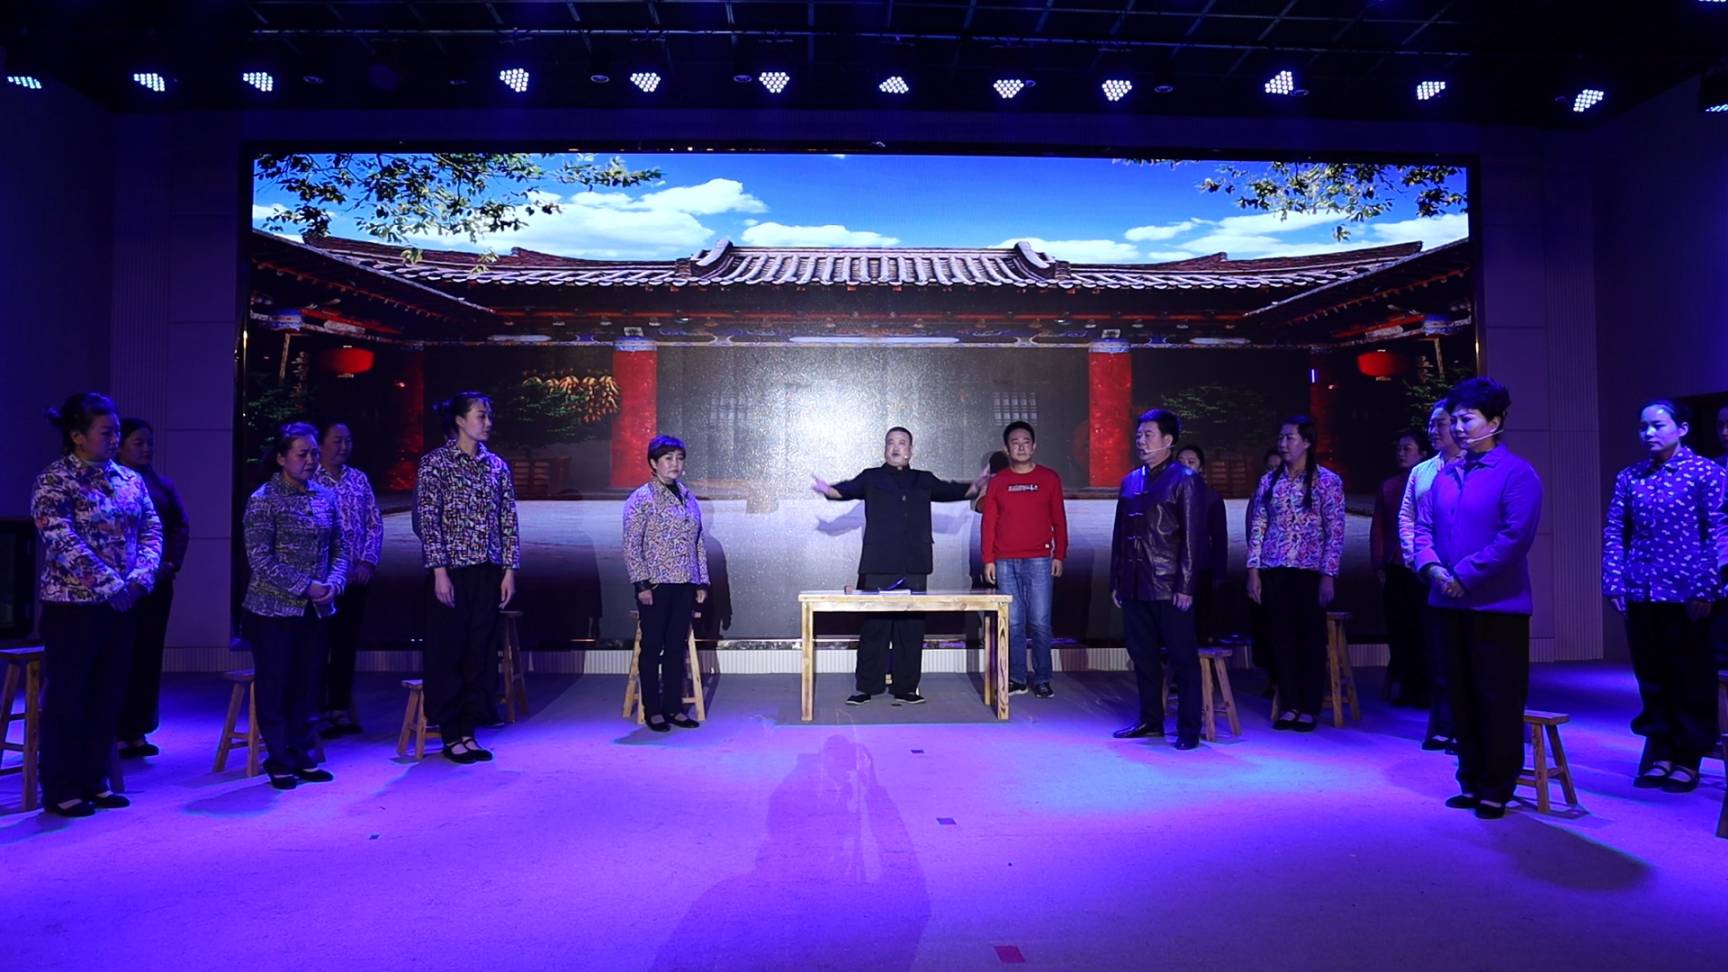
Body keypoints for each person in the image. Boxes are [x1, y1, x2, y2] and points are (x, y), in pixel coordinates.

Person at [1413, 378, 1543, 820]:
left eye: (1467, 419)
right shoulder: (1445, 474)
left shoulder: (1517, 474)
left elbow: (1514, 538)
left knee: (1497, 696)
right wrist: (1432, 569)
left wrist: (1464, 576)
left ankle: (1496, 785)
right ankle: (1470, 778)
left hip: (1497, 607)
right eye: (1455, 420)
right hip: (1447, 603)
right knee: (1461, 695)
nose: (1458, 428)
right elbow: (1423, 529)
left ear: (1495, 421)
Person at [31, 393, 163, 817]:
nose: (115, 438)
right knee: (68, 697)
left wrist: (140, 579)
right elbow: (61, 539)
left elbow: (151, 529)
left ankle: (94, 779)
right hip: (72, 606)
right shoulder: (55, 480)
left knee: (107, 695)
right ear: (77, 436)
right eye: (106, 432)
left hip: (123, 606)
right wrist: (109, 585)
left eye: (117, 431)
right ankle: (62, 786)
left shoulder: (129, 479)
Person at [1601, 399, 1728, 793]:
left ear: (1682, 429)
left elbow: (1719, 532)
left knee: (1691, 676)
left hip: (1690, 594)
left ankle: (1688, 757)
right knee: (1652, 675)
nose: (1649, 433)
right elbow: (1615, 530)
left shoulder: (1706, 473)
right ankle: (1659, 752)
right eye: (1643, 427)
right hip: (1642, 590)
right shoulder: (1631, 476)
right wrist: (1615, 581)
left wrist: (1707, 587)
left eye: (1658, 425)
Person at [812, 427, 986, 705]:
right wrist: (828, 490)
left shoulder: (922, 479)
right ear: (885, 448)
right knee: (875, 628)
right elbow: (844, 490)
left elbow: (951, 489)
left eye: (902, 443)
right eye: (890, 442)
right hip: (878, 563)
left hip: (914, 564)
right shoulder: (872, 477)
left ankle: (906, 687)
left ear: (910, 450)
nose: (895, 447)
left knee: (910, 629)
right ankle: (867, 687)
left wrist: (977, 485)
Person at [414, 392, 521, 763]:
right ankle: (450, 732)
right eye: (480, 415)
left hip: (488, 571)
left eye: (489, 416)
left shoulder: (496, 467)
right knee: (450, 651)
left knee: (479, 651)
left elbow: (508, 521)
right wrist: (439, 571)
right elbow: (428, 521)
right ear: (460, 420)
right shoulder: (436, 464)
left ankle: (469, 731)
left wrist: (509, 570)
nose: (487, 422)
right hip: (452, 572)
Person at [243, 422, 348, 790]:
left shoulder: (325, 497)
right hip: (273, 611)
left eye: (314, 453)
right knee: (277, 685)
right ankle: (279, 758)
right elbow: (260, 559)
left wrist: (334, 582)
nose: (310, 460)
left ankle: (304, 753)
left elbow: (340, 547)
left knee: (308, 684)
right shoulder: (264, 499)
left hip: (316, 611)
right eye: (302, 454)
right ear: (281, 458)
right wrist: (306, 586)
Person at [1110, 410, 1207, 749]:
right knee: (1143, 657)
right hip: (1135, 583)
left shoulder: (1185, 479)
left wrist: (1186, 585)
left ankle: (1189, 729)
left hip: (1169, 585)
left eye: (1148, 434)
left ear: (1168, 440)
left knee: (1182, 659)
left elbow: (1194, 537)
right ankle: (1151, 721)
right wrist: (1117, 579)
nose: (1141, 440)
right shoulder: (1130, 480)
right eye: (1139, 434)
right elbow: (1120, 534)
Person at [1246, 416, 1346, 732]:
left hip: (1310, 571)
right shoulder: (1269, 481)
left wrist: (1328, 574)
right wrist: (1253, 570)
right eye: (1281, 438)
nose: (1283, 443)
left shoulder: (1327, 481)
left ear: (1307, 442)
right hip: (1275, 568)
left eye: (1290, 438)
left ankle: (1309, 706)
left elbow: (1335, 531)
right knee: (1281, 639)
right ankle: (1289, 704)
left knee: (1310, 640)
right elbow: (1258, 526)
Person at [623, 435, 710, 732]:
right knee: (652, 647)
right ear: (653, 463)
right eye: (668, 458)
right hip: (656, 585)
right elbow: (632, 545)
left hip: (685, 582)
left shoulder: (688, 496)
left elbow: (698, 542)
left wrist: (701, 581)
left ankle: (674, 707)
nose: (675, 464)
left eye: (679, 458)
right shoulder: (641, 498)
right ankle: (653, 710)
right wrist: (641, 584)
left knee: (675, 647)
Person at [114, 417, 189, 759]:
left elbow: (180, 526)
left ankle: (139, 728)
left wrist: (169, 564)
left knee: (148, 654)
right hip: (121, 585)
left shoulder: (162, 485)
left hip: (157, 583)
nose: (146, 449)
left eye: (149, 443)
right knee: (121, 654)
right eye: (138, 442)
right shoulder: (112, 482)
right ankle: (116, 729)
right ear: (120, 446)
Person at [981, 422, 1068, 699]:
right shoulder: (998, 481)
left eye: (1026, 441)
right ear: (1007, 449)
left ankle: (1042, 678)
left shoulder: (1049, 478)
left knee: (1040, 622)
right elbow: (989, 523)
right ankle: (1017, 678)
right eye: (1015, 442)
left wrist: (1060, 554)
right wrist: (988, 559)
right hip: (1005, 561)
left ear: (1034, 446)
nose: (1021, 446)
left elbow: (1059, 519)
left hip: (1040, 559)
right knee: (1013, 623)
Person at [1399, 401, 1464, 752]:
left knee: (1465, 651)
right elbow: (1407, 517)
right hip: (1429, 572)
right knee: (1437, 652)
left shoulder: (1472, 466)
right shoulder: (1422, 472)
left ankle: (1465, 726)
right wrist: (1418, 561)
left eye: (1440, 424)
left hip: (1466, 575)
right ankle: (1441, 723)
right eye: (1431, 425)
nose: (1433, 431)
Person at [313, 420, 384, 738]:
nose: (343, 447)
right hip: (322, 582)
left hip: (355, 580)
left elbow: (374, 524)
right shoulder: (310, 478)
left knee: (345, 646)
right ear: (321, 444)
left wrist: (367, 563)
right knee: (318, 646)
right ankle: (316, 711)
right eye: (337, 440)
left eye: (348, 441)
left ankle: (340, 709)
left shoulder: (358, 479)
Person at [1371, 428, 1431, 707]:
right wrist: (1379, 563)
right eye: (1399, 449)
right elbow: (1379, 528)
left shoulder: (1432, 483)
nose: (1401, 453)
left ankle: (1426, 688)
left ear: (1423, 453)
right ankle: (1407, 686)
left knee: (1424, 628)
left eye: (1408, 448)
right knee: (1400, 629)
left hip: (1425, 567)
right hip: (1396, 566)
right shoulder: (1389, 486)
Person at [1176, 444, 1229, 646]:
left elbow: (1219, 539)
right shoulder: (1167, 495)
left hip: (1201, 569)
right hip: (1172, 570)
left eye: (1191, 462)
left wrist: (1219, 575)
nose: (1185, 466)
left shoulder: (1211, 497)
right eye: (1180, 462)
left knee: (1200, 625)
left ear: (1201, 468)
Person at [1248, 446, 1284, 691]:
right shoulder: (1260, 493)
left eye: (1277, 467)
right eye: (1269, 468)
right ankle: (1272, 675)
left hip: (1290, 570)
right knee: (1266, 626)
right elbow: (1253, 532)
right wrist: (1254, 569)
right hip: (1264, 569)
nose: (1273, 472)